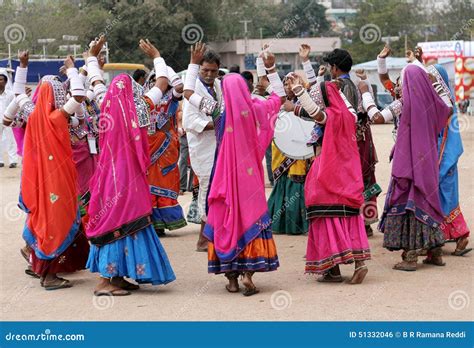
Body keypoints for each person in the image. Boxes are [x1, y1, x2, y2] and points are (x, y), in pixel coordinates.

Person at [184, 43, 286, 296]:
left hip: (224, 176)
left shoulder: (218, 110)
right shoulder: (255, 107)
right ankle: (249, 275)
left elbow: (187, 92)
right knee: (250, 219)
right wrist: (271, 68)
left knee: (226, 220)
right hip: (249, 179)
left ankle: (230, 279)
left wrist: (193, 64)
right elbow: (280, 99)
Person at [85, 37, 175, 296]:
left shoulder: (105, 104)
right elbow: (162, 83)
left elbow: (96, 82)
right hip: (128, 178)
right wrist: (157, 56)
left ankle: (118, 276)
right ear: (134, 92)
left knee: (117, 221)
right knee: (121, 222)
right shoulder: (139, 107)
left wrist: (93, 57)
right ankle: (105, 281)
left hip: (108, 175)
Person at [16, 52, 90, 290]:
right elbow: (78, 96)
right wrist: (72, 69)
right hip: (57, 180)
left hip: (41, 182)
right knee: (56, 223)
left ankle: (37, 265)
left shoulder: (33, 113)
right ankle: (49, 277)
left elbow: (18, 95)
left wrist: (23, 66)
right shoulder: (57, 117)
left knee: (43, 221)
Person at [286, 75, 370, 284]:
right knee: (350, 217)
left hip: (327, 173)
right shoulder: (348, 115)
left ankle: (332, 269)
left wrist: (298, 91)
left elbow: (315, 113)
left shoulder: (331, 115)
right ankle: (359, 263)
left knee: (322, 213)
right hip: (349, 175)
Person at [379, 64, 452, 271]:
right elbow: (448, 109)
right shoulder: (432, 104)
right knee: (427, 201)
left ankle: (410, 257)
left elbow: (380, 119)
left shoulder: (406, 105)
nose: (401, 86)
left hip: (409, 165)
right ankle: (435, 253)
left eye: (403, 81)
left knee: (409, 204)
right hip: (427, 164)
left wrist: (367, 97)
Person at [323, 48, 380, 237]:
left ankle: (355, 223)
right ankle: (366, 221)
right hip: (364, 139)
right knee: (364, 177)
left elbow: (343, 117)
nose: (330, 70)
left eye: (331, 66)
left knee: (351, 178)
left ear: (335, 68)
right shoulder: (358, 84)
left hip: (352, 140)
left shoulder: (340, 86)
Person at [182, 48, 223, 252]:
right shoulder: (194, 89)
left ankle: (211, 236)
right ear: (199, 69)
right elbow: (188, 121)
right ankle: (203, 240)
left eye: (213, 71)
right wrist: (218, 124)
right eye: (205, 70)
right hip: (203, 148)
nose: (208, 74)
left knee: (216, 192)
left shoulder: (218, 85)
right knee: (207, 190)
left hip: (219, 146)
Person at [428, 64, 471, 256]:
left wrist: (441, 165)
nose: (428, 81)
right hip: (440, 159)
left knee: (444, 201)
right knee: (445, 200)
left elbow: (448, 140)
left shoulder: (447, 106)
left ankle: (450, 239)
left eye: (432, 78)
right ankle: (454, 239)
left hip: (445, 161)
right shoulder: (439, 103)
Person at [144, 67, 187, 235]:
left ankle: (163, 222)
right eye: (154, 81)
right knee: (147, 184)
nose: (158, 84)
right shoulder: (144, 101)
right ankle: (151, 223)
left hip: (166, 148)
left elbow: (180, 87)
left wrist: (164, 66)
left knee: (164, 181)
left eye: (161, 81)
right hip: (147, 147)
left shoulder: (171, 98)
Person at [267, 72, 311, 235]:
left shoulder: (305, 102)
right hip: (281, 148)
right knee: (282, 183)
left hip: (299, 148)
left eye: (292, 83)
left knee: (297, 181)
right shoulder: (278, 102)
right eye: (285, 83)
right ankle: (279, 223)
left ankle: (298, 224)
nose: (288, 86)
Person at [0, 69, 17, 168]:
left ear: (6, 82)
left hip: (8, 120)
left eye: (1, 80)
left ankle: (13, 161)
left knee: (11, 139)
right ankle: (0, 161)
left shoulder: (10, 94)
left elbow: (15, 107)